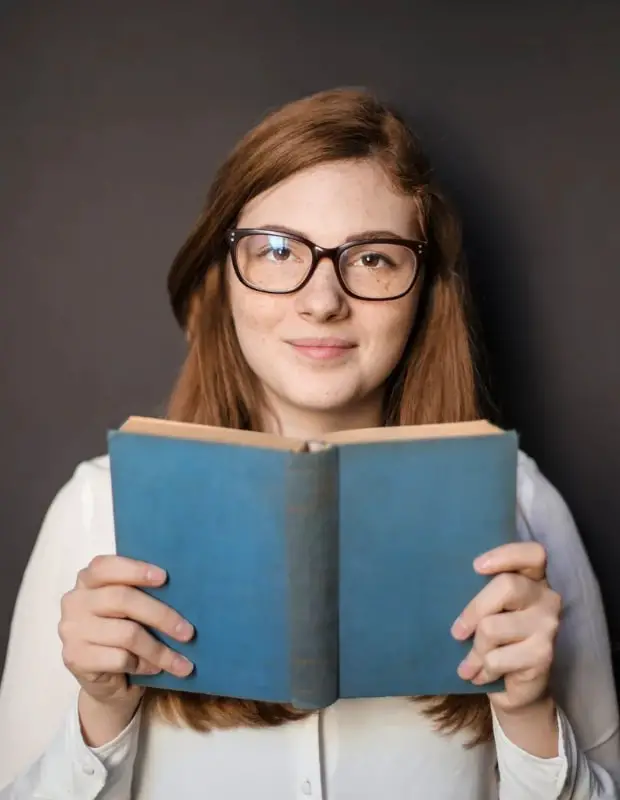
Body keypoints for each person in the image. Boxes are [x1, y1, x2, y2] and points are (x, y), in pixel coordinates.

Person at [0, 88, 618, 800]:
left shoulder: (526, 508)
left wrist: (529, 718)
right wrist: (102, 714)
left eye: (373, 259)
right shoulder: (92, 513)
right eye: (275, 250)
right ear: (223, 274)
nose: (322, 299)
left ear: (425, 289)